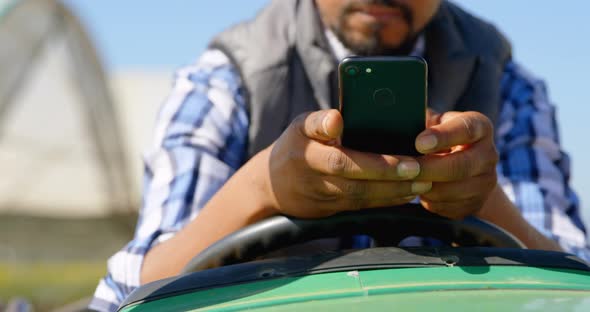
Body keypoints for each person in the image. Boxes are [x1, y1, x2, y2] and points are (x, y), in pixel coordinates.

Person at [90, 0, 590, 311]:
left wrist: (482, 198)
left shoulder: (507, 83)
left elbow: (573, 283)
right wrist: (261, 186)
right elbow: (128, 295)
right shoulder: (230, 75)